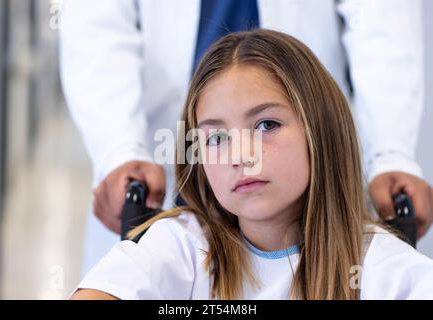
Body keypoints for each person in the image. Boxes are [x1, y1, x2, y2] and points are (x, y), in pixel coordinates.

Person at [59, 0, 433, 274]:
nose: (242, 155)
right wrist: (121, 149)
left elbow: (382, 20)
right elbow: (97, 25)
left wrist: (390, 152)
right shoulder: (166, 251)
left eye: (266, 125)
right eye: (217, 137)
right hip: (161, 170)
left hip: (317, 201)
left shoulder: (388, 271)